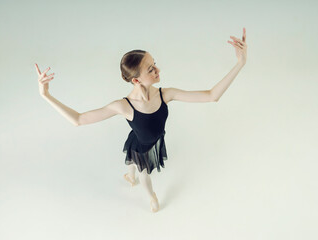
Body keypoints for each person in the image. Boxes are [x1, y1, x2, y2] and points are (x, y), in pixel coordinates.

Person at [35, 28, 247, 213]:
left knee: (131, 163)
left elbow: (211, 95)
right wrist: (46, 95)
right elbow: (79, 119)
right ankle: (151, 196)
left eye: (154, 64)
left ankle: (129, 176)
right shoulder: (124, 106)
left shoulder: (166, 94)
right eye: (151, 69)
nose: (158, 70)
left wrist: (240, 63)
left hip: (152, 139)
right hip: (141, 146)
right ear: (136, 80)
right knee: (144, 172)